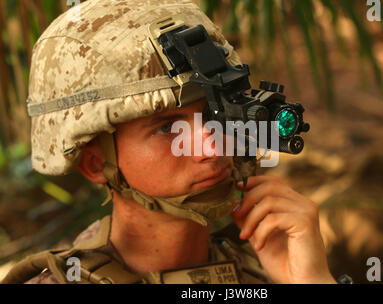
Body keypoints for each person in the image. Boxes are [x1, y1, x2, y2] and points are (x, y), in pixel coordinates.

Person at [1, 0, 336, 284]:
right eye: (166, 129)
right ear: (95, 163)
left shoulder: (267, 265)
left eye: (215, 113)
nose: (213, 147)